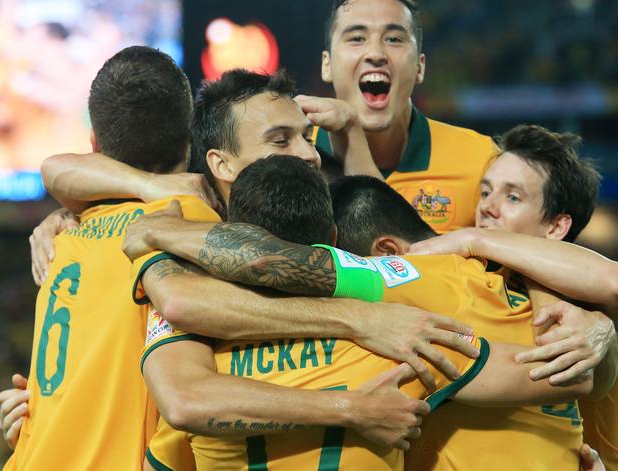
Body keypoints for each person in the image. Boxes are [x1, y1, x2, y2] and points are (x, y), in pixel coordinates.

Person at [0, 70, 478, 467]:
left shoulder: (127, 228)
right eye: (281, 139)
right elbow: (184, 336)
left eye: (308, 138)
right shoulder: (182, 229)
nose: (310, 153)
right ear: (220, 163)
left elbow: (59, 170)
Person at [122, 154, 592, 470]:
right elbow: (566, 376)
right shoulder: (405, 338)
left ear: (231, 227)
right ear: (330, 235)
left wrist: (155, 243)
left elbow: (173, 429)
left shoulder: (196, 352)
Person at [1, 45, 222, 470]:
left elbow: (56, 169)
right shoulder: (188, 222)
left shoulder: (64, 237)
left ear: (94, 144)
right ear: (190, 139)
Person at [405, 124, 617, 470]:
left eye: (512, 197)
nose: (488, 207)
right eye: (485, 192)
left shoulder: (589, 312)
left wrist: (476, 239)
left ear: (555, 227)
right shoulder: (453, 280)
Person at [313, 0, 498, 232]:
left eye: (394, 39)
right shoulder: (291, 157)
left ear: (420, 67)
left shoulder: (481, 160)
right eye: (357, 38)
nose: (376, 53)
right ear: (327, 64)